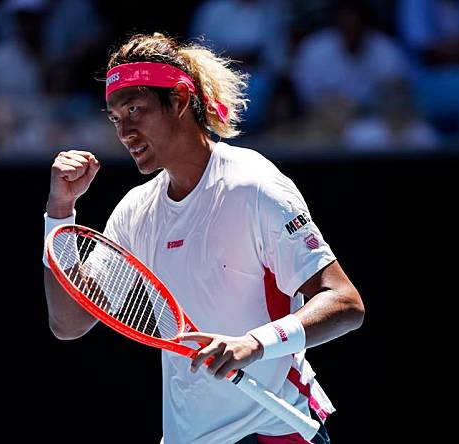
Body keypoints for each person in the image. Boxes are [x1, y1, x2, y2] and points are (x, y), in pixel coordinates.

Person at [42, 33, 365, 444]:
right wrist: (59, 213)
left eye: (135, 110)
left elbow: (345, 302)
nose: (124, 131)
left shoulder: (253, 185)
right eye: (115, 117)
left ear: (178, 100)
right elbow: (68, 323)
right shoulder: (135, 210)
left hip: (275, 429)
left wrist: (254, 344)